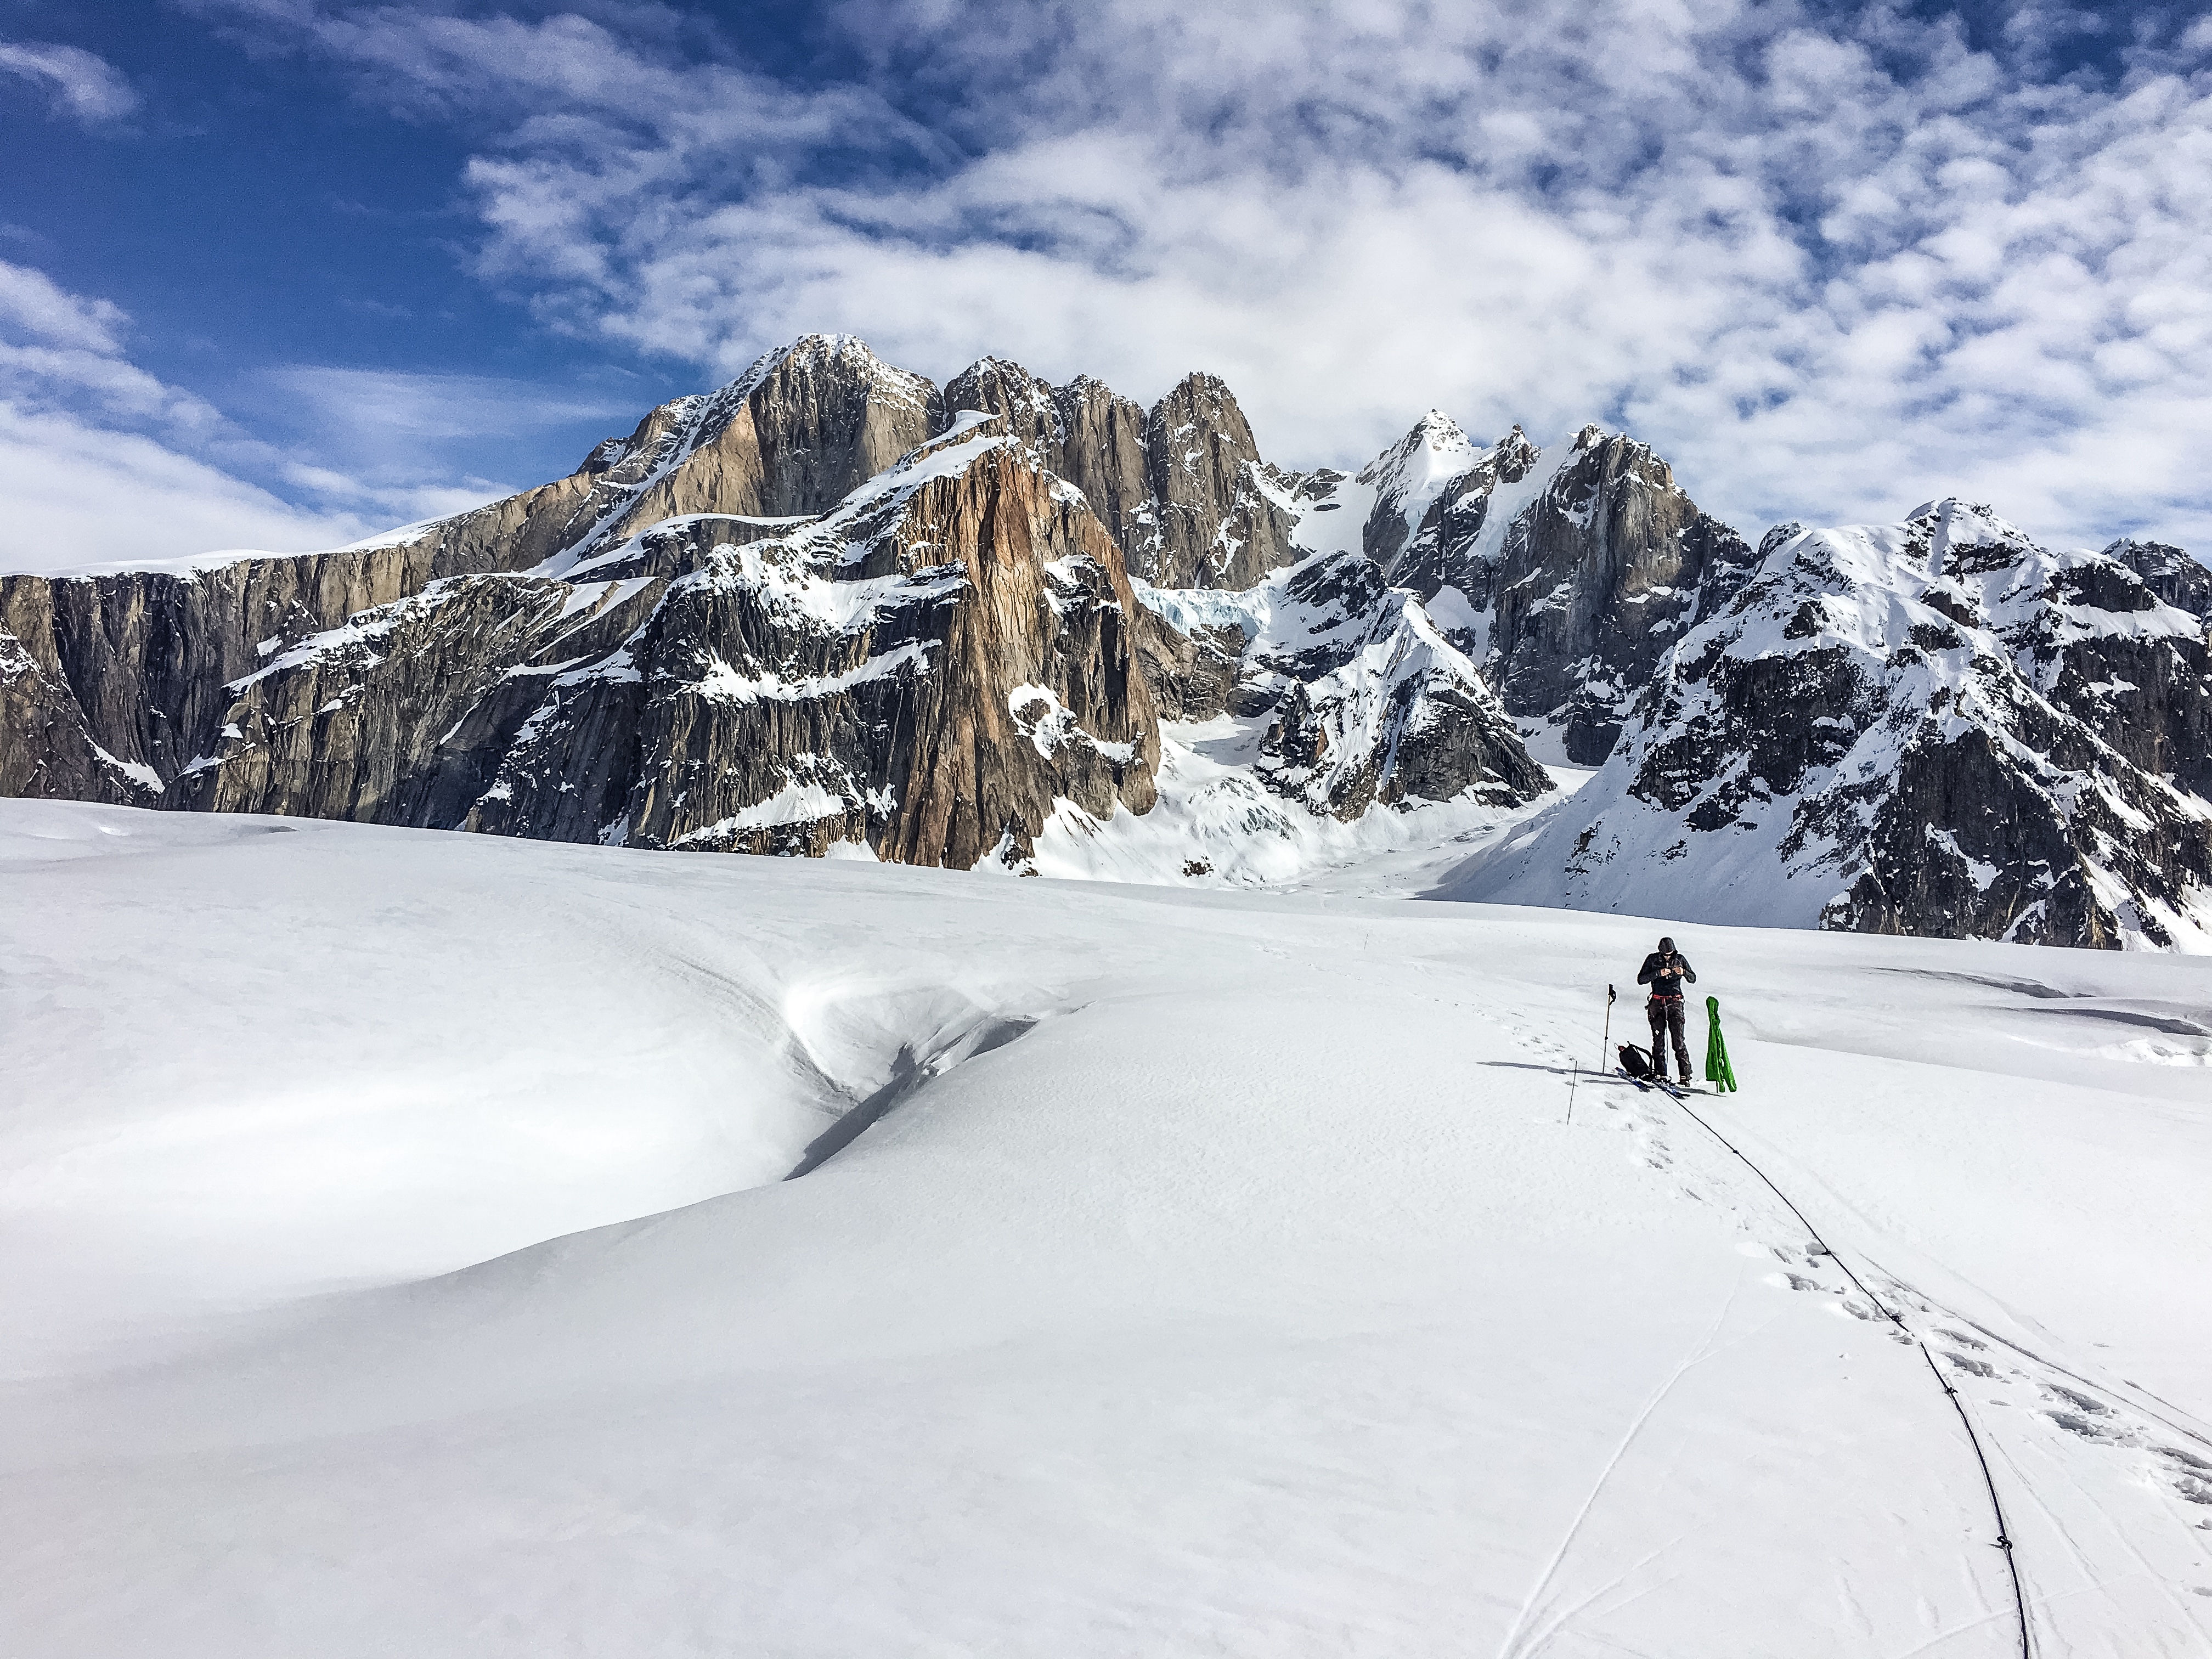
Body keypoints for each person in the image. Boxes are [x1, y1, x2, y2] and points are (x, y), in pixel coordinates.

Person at [1636, 936, 1697, 1084]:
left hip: (1675, 1003)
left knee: (1679, 1042)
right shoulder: (1652, 960)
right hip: (1657, 1003)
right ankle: (1661, 1073)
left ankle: (1685, 1076)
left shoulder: (1680, 959)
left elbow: (1693, 978)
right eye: (1665, 954)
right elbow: (1641, 979)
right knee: (1659, 1041)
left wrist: (1683, 972)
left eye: (1670, 954)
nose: (1668, 956)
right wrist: (1658, 973)